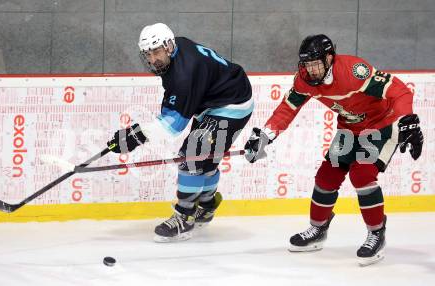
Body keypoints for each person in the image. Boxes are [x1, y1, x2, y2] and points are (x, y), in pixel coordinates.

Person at [244, 34, 423, 266]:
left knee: (361, 175)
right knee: (326, 177)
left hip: (380, 126)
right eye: (306, 65)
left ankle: (376, 233)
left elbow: (399, 90)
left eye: (316, 64)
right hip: (349, 128)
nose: (311, 70)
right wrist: (266, 135)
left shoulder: (354, 71)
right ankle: (318, 229)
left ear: (329, 58)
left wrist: (407, 119)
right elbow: (288, 108)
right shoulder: (305, 80)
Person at [107, 23, 253, 242]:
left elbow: (172, 125)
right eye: (147, 54)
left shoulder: (185, 72)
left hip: (232, 105)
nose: (152, 59)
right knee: (205, 157)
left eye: (156, 52)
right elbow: (174, 105)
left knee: (192, 155)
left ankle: (185, 217)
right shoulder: (177, 50)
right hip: (216, 100)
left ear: (168, 46)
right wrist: (137, 133)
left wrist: (135, 136)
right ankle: (207, 205)